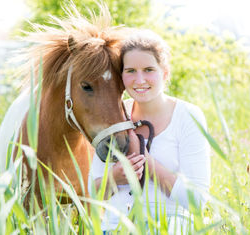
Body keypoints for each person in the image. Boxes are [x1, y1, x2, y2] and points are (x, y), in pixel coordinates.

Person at [88, 29, 211, 232]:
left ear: (165, 72)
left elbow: (196, 201)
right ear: (121, 76)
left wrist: (147, 163)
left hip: (170, 226)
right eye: (130, 71)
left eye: (148, 69)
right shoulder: (114, 116)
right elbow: (91, 193)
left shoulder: (188, 116)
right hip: (116, 226)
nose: (139, 80)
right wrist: (114, 177)